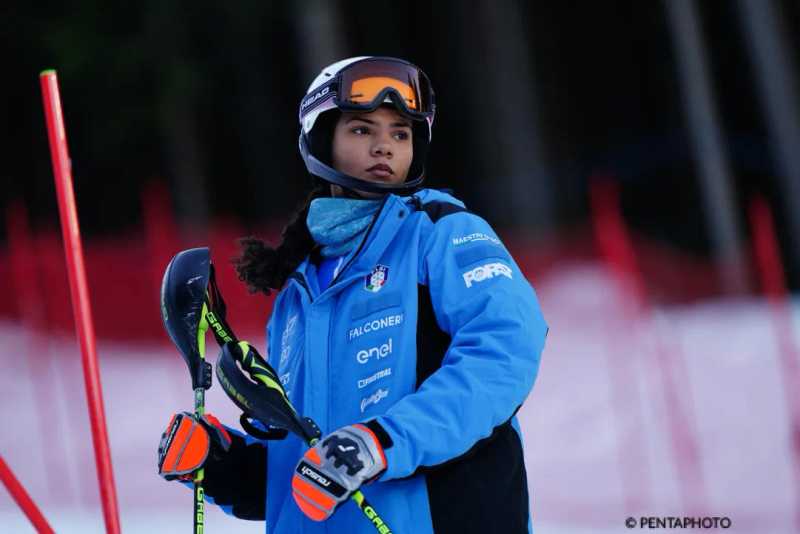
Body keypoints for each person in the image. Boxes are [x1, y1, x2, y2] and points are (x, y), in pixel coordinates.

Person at [158, 56, 548, 534]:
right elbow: (310, 462)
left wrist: (384, 441)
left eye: (400, 134)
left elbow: (504, 354)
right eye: (362, 130)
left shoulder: (440, 233)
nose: (384, 146)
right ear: (321, 139)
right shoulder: (300, 290)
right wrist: (222, 464)